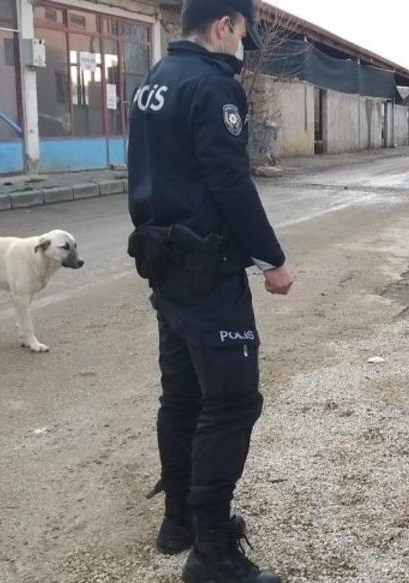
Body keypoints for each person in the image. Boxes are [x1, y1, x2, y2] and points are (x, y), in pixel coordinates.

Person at [126, 0, 293, 581]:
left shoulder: (155, 79)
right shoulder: (212, 85)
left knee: (183, 397)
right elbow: (228, 180)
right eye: (243, 34)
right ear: (225, 24)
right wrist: (272, 257)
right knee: (232, 401)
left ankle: (180, 522)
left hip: (163, 260)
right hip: (206, 267)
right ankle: (213, 552)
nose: (242, 48)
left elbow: (145, 171)